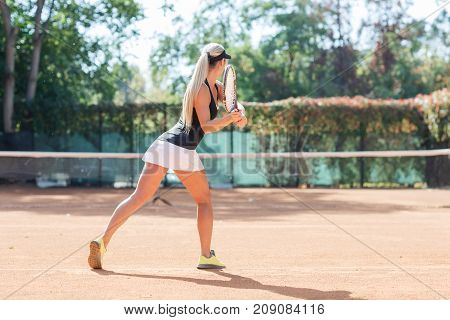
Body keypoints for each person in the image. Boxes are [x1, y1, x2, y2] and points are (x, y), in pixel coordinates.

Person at [88, 43, 247, 270]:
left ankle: (102, 241)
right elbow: (207, 126)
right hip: (181, 150)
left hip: (163, 146)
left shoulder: (215, 87)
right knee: (204, 202)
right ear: (221, 63)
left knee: (138, 197)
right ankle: (206, 255)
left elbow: (231, 101)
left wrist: (240, 111)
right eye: (225, 61)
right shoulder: (202, 90)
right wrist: (230, 119)